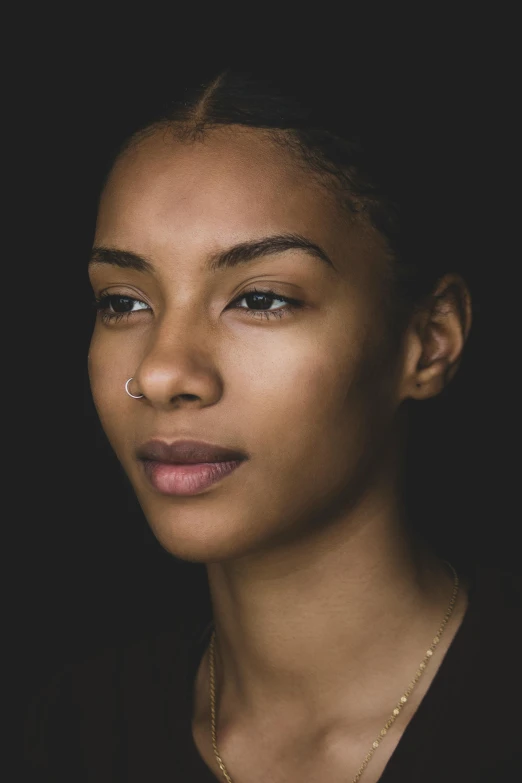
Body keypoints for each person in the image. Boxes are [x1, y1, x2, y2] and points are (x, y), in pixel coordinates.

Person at [23, 63, 521, 782]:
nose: (162, 373)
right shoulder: (74, 733)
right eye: (123, 301)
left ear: (429, 340)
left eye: (259, 299)